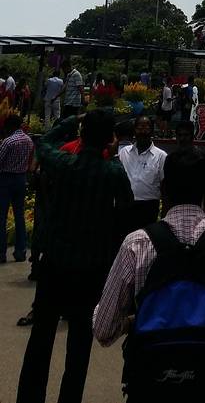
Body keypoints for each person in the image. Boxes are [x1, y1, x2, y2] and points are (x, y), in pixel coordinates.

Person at [93, 148, 205, 401]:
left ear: (163, 188)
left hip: (149, 383)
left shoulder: (137, 244)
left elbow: (103, 329)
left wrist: (132, 321)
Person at [16, 110, 134, 403]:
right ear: (109, 139)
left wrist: (72, 120)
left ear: (82, 134)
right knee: (80, 343)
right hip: (92, 267)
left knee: (41, 337)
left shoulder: (63, 164)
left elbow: (44, 143)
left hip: (55, 263)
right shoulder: (113, 172)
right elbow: (126, 209)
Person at [118, 115, 167, 231]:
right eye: (140, 128)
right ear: (134, 131)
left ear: (152, 131)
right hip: (125, 206)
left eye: (147, 128)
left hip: (148, 207)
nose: (143, 132)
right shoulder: (124, 152)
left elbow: (164, 185)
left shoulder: (161, 156)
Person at [0, 112, 34, 263]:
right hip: (21, 178)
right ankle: (20, 251)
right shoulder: (29, 140)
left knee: (1, 215)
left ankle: (1, 253)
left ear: (9, 127)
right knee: (19, 215)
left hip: (6, 178)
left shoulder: (8, 142)